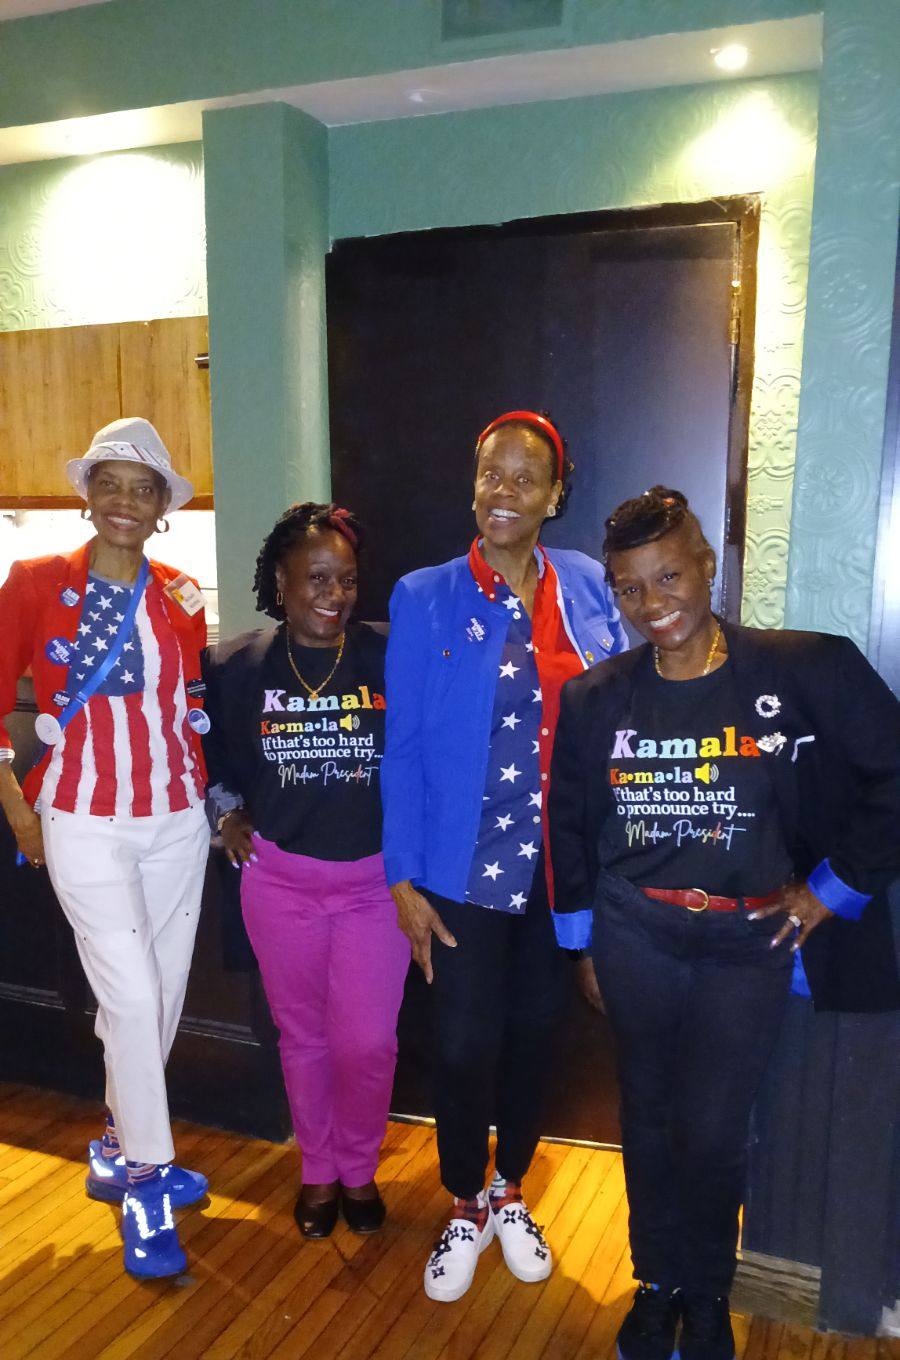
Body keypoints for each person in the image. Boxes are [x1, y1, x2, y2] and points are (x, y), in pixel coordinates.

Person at [549, 485, 900, 1360]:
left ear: (707, 566)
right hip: (636, 933)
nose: (652, 601)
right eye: (630, 587)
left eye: (669, 575)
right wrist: (582, 940)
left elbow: (891, 774)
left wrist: (832, 889)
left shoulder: (805, 669)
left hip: (749, 944)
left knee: (712, 1127)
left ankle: (706, 1288)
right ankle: (655, 1281)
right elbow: (572, 822)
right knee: (646, 1112)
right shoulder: (595, 697)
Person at [382, 410, 628, 1302]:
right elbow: (403, 748)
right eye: (492, 473)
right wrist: (401, 876)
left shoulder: (590, 584)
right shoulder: (425, 595)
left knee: (534, 1034)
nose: (505, 492)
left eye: (527, 478)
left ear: (555, 495)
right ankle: (462, 1199)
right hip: (463, 867)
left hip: (560, 868)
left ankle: (510, 1187)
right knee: (461, 1044)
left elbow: (628, 704)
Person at [0, 418, 211, 1280]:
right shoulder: (35, 580)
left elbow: (189, 707)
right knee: (129, 990)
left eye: (142, 486)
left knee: (157, 998)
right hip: (82, 817)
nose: (125, 500)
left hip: (177, 819)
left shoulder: (181, 594)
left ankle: (120, 1139)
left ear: (163, 506)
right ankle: (147, 1181)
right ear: (87, 495)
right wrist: (15, 805)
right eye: (109, 482)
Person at [201, 502, 410, 1240]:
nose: (335, 593)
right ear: (281, 584)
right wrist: (226, 814)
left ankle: (360, 1162)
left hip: (374, 887)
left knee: (367, 1042)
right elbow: (212, 759)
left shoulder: (390, 654)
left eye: (346, 579)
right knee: (302, 1036)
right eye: (316, 578)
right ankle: (320, 1168)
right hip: (280, 882)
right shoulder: (235, 666)